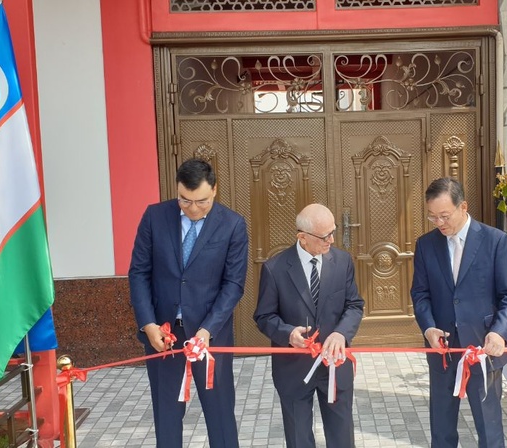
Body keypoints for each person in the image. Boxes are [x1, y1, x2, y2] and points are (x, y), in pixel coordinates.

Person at [128, 158, 248, 448]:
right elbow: (139, 273)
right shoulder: (154, 217)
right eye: (185, 200)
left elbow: (233, 285)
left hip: (210, 334)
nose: (193, 209)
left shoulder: (232, 224)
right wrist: (148, 324)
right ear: (177, 190)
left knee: (219, 412)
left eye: (202, 202)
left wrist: (207, 330)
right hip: (163, 334)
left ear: (215, 190)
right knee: (167, 414)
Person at [410, 177, 507, 448]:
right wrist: (428, 328)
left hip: (483, 347)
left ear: (463, 207)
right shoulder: (426, 245)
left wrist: (499, 333)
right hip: (443, 350)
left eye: (444, 216)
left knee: (489, 427)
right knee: (442, 427)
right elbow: (420, 293)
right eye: (432, 217)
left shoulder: (494, 241)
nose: (439, 223)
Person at [253, 203, 365, 448]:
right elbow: (264, 316)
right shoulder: (275, 269)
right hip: (294, 369)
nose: (331, 240)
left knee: (342, 438)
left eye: (333, 232)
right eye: (325, 236)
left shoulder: (343, 261)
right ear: (302, 237)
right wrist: (287, 334)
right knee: (299, 439)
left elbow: (354, 305)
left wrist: (340, 334)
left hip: (335, 365)